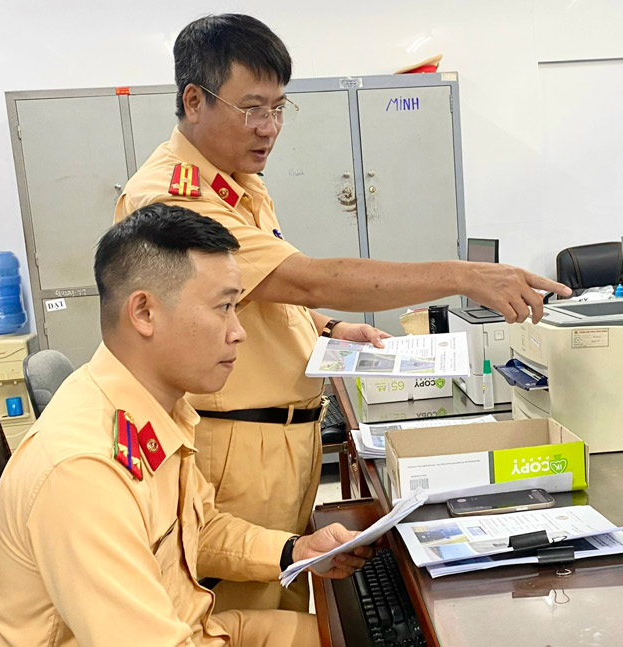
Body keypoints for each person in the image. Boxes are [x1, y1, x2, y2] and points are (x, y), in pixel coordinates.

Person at [114, 13, 571, 613]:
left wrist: (327, 328)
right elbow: (301, 276)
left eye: (279, 108)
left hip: (276, 440)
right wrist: (463, 276)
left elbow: (259, 293)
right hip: (235, 448)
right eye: (252, 108)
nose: (269, 127)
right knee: (238, 615)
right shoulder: (176, 196)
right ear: (194, 100)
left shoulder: (238, 182)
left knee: (285, 596)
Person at [0, 204, 370, 647]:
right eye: (224, 307)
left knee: (359, 636)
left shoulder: (154, 408)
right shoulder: (82, 471)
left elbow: (196, 529)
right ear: (144, 312)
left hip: (196, 629)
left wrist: (295, 551)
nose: (238, 331)